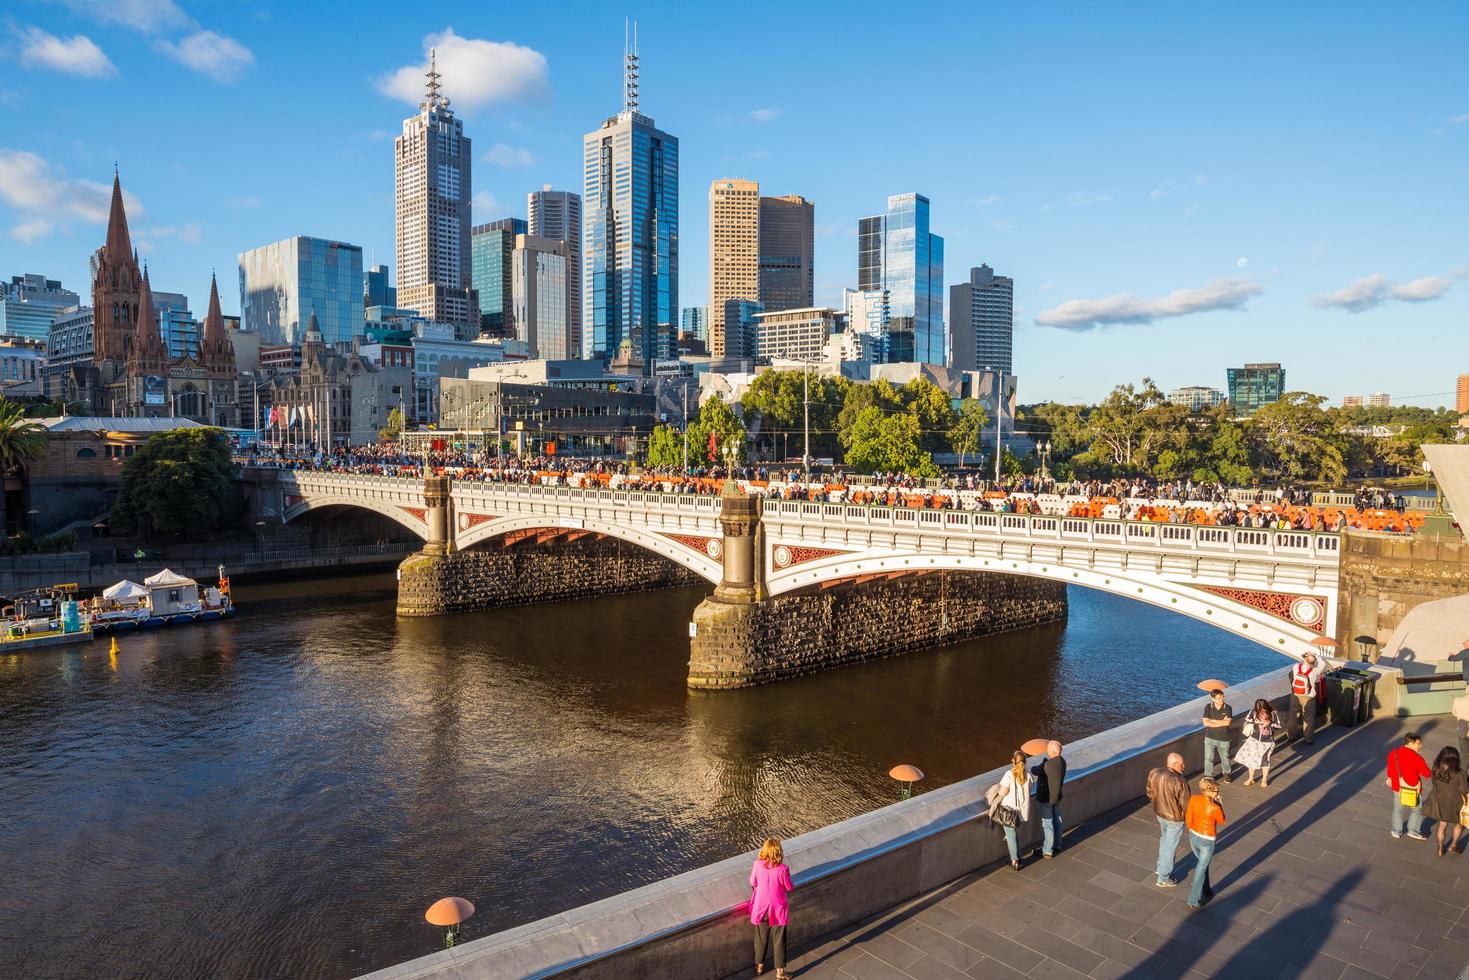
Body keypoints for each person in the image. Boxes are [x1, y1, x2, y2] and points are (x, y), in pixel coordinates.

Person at [749, 837, 794, 979]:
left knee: (761, 937)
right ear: (779, 851)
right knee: (779, 940)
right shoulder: (783, 869)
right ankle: (780, 973)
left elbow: (752, 882)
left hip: (761, 908)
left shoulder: (757, 864)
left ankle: (759, 966)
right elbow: (789, 887)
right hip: (778, 909)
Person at [1146, 752, 1190, 887]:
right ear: (1174, 764)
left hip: (1160, 813)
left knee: (1164, 841)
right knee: (1170, 847)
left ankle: (1160, 868)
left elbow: (1149, 792)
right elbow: (1186, 804)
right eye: (1182, 764)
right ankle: (1163, 878)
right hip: (1175, 819)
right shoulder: (1180, 781)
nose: (1184, 765)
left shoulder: (1154, 773)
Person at [1186, 777, 1227, 909]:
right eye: (1216, 791)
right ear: (1209, 791)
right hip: (1207, 841)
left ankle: (1206, 890)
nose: (1218, 793)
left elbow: (1188, 817)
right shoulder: (1214, 807)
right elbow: (1222, 820)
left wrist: (1191, 829)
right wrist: (1219, 803)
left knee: (1203, 864)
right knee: (1201, 868)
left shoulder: (1193, 799)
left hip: (1193, 836)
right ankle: (1193, 899)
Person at [1387, 732, 1432, 841]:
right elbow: (1427, 774)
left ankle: (1396, 831)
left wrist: (1390, 778)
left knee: (1398, 809)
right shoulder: (1418, 758)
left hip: (1398, 787)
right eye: (1418, 743)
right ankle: (1413, 830)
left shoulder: (1394, 753)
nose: (1420, 746)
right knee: (1416, 810)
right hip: (1414, 790)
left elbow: (1391, 768)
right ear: (1411, 743)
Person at [1425, 746, 1468, 857]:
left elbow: (1434, 782)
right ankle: (1453, 845)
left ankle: (1440, 848)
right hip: (1456, 802)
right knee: (1459, 824)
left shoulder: (1436, 769)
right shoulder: (1460, 773)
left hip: (1440, 800)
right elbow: (1464, 790)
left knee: (1442, 825)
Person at [996, 749, 1033, 871]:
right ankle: (1017, 856)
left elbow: (1002, 792)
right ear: (1025, 762)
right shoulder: (1028, 775)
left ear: (1013, 761)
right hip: (1021, 810)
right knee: (1013, 833)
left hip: (1009, 810)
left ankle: (1015, 860)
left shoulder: (1009, 774)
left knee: (1010, 834)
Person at [1031, 740, 1067, 859]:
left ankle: (1047, 850)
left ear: (1052, 751)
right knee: (1058, 820)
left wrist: (1043, 763)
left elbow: (1035, 771)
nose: (1046, 752)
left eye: (1048, 750)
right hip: (1057, 797)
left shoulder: (1048, 765)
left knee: (1047, 824)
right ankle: (1057, 845)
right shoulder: (1062, 761)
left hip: (1047, 799)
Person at [1236, 699, 1282, 787]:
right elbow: (1247, 719)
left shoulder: (1273, 713)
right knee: (1251, 758)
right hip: (1255, 738)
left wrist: (1270, 723)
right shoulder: (1254, 711)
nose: (1261, 711)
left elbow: (1278, 725)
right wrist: (1255, 722)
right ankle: (1250, 778)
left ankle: (1264, 780)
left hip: (1267, 741)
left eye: (1263, 709)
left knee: (1265, 759)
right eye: (1259, 709)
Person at [1288, 651, 1325, 745]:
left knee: (1293, 716)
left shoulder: (1296, 667)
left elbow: (1301, 662)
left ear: (1304, 659)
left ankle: (1291, 736)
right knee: (1308, 718)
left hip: (1296, 695)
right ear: (1314, 662)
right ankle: (1308, 738)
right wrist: (1315, 655)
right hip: (1309, 697)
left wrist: (1307, 656)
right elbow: (1323, 663)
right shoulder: (1315, 671)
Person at [1202, 689, 1233, 782]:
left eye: (1222, 697)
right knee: (1208, 757)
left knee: (1225, 757)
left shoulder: (1228, 708)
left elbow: (1228, 723)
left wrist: (1213, 721)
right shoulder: (1208, 707)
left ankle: (1227, 773)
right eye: (1218, 698)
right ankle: (1208, 775)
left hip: (1224, 738)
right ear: (1213, 698)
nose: (1221, 700)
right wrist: (1222, 722)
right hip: (1210, 737)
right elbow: (1205, 723)